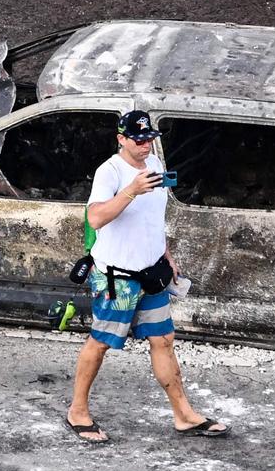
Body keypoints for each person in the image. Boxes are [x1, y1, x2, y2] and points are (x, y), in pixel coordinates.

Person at [65, 110, 230, 443]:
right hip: (117, 278)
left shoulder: (154, 165)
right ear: (121, 139)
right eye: (138, 140)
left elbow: (154, 218)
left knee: (164, 341)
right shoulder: (109, 171)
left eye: (149, 139)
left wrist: (166, 256)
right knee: (100, 343)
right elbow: (95, 218)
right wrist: (131, 191)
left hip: (152, 273)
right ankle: (77, 412)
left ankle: (184, 415)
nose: (145, 145)